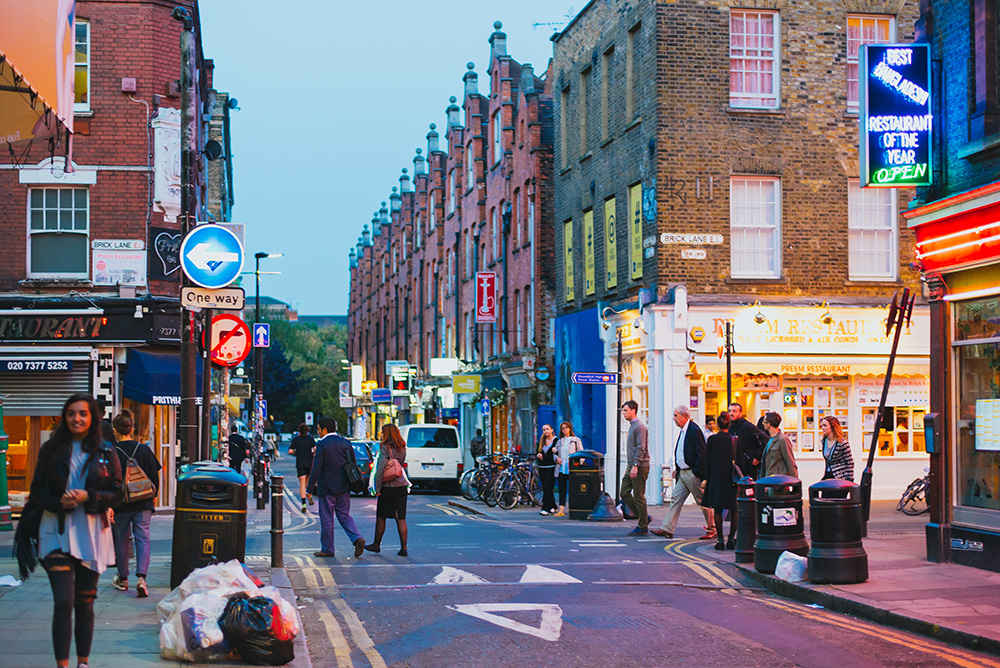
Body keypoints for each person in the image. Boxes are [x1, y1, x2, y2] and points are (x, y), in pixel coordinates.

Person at [31, 394, 123, 668]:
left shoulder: (107, 452)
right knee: (63, 601)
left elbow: (117, 494)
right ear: (64, 417)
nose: (77, 418)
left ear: (92, 417)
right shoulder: (51, 450)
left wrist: (88, 496)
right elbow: (36, 489)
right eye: (71, 413)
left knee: (85, 603)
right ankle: (63, 665)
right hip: (56, 532)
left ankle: (83, 662)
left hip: (92, 533)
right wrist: (57, 502)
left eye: (82, 413)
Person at [109, 409, 161, 597]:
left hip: (121, 504)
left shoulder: (113, 452)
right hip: (143, 502)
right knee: (143, 538)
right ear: (131, 429)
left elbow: (110, 481)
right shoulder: (145, 450)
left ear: (115, 430)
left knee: (121, 540)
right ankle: (142, 578)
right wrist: (151, 498)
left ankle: (123, 578)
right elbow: (155, 478)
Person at [651, 405, 715, 540]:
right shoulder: (684, 430)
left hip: (692, 473)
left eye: (676, 415)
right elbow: (683, 451)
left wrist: (697, 472)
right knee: (675, 499)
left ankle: (712, 529)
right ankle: (667, 529)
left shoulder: (694, 430)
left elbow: (702, 453)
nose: (673, 418)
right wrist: (678, 468)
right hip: (683, 473)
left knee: (703, 501)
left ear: (685, 416)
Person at [307, 418, 366, 558]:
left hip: (327, 488)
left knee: (327, 519)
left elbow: (316, 467)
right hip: (344, 486)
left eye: (319, 429)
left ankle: (328, 549)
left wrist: (309, 489)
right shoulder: (345, 442)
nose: (318, 432)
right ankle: (357, 538)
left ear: (325, 430)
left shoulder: (322, 444)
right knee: (344, 515)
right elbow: (353, 463)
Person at [366, 424, 410, 556]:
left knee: (381, 517)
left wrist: (377, 487)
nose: (380, 434)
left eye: (382, 432)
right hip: (401, 485)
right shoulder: (402, 446)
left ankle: (376, 544)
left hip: (388, 487)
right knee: (400, 517)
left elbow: (380, 469)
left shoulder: (386, 447)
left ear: (386, 433)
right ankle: (404, 548)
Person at [702, 412, 738, 550]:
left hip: (716, 478)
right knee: (734, 509)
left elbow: (708, 460)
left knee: (718, 509)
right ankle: (731, 540)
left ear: (717, 424)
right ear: (729, 424)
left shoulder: (712, 440)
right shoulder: (735, 440)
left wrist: (706, 478)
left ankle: (720, 540)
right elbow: (740, 460)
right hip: (731, 479)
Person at [621, 401, 650, 536]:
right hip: (631, 465)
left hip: (639, 466)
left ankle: (643, 526)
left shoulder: (640, 427)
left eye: (626, 411)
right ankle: (643, 516)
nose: (624, 413)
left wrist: (635, 466)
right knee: (624, 493)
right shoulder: (632, 426)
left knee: (639, 496)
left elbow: (641, 447)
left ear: (633, 411)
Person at [728, 402, 766, 481]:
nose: (731, 413)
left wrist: (757, 456)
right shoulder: (730, 427)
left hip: (747, 466)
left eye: (734, 411)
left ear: (740, 413)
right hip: (734, 465)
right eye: (729, 411)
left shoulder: (747, 426)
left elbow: (764, 439)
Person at [554, 422, 583, 517]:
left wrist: (578, 465)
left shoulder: (575, 440)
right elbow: (555, 454)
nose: (564, 430)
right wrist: (556, 458)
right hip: (561, 468)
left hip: (572, 468)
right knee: (562, 489)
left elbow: (581, 453)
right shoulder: (559, 441)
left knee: (573, 489)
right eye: (563, 428)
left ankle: (574, 508)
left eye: (566, 428)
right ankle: (561, 510)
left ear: (570, 429)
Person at [760, 411, 799, 478]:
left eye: (764, 422)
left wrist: (795, 483)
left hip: (779, 482)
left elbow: (790, 462)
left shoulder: (782, 439)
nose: (763, 424)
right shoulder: (770, 439)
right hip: (769, 480)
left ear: (769, 424)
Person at [288, 423, 316, 512]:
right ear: (307, 431)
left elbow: (290, 451)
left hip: (300, 463)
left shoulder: (296, 440)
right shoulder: (310, 439)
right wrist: (312, 453)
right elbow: (315, 449)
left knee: (302, 484)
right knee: (308, 483)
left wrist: (297, 453)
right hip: (309, 463)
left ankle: (304, 504)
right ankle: (309, 495)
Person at [820, 416, 855, 481]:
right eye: (821, 426)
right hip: (828, 474)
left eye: (825, 425)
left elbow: (850, 462)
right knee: (815, 489)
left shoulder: (842, 443)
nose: (822, 428)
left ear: (833, 426)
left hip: (840, 476)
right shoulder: (824, 441)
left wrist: (850, 480)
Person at [535, 424, 558, 515]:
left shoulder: (556, 441)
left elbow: (559, 452)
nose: (546, 431)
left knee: (549, 486)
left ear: (552, 430)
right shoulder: (541, 441)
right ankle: (553, 506)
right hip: (542, 467)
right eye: (544, 429)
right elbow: (537, 452)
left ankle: (546, 507)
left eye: (547, 429)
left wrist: (555, 451)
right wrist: (538, 455)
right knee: (545, 487)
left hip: (551, 467)